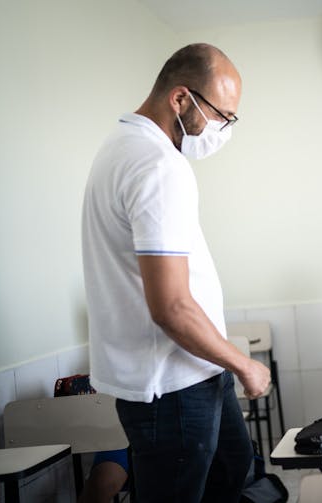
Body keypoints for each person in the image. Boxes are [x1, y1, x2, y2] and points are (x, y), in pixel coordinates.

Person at [81, 43, 270, 503]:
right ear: (181, 99)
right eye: (221, 116)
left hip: (195, 371)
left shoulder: (122, 145)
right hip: (172, 386)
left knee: (235, 472)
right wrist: (243, 363)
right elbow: (170, 305)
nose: (224, 130)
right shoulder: (157, 164)